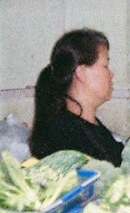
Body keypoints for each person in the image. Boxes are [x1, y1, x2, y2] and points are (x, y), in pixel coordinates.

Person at [30, 28, 123, 164]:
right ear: (81, 73)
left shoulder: (90, 126)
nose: (111, 74)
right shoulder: (66, 138)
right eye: (105, 66)